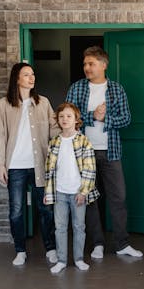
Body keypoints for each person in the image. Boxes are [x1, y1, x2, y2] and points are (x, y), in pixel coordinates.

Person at [65, 46, 143, 259]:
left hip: (111, 152)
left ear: (103, 65)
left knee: (118, 197)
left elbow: (126, 119)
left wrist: (105, 118)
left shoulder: (117, 89)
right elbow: (68, 118)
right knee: (90, 200)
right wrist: (92, 116)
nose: (86, 68)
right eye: (85, 64)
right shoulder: (77, 88)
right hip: (84, 154)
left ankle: (122, 244)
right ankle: (97, 244)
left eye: (91, 64)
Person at [0, 62, 59, 266]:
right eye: (26, 74)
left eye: (33, 74)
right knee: (16, 210)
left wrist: (68, 138)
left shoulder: (43, 102)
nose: (32, 77)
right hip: (15, 166)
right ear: (16, 79)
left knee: (45, 209)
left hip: (40, 165)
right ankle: (20, 250)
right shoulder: (4, 104)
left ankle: (51, 248)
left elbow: (54, 129)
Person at [44, 102, 99, 274]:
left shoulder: (83, 141)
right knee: (60, 227)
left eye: (69, 116)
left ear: (76, 120)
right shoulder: (54, 142)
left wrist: (84, 191)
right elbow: (49, 170)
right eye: (61, 116)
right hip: (59, 192)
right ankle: (61, 260)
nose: (65, 119)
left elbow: (90, 168)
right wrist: (48, 192)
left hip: (77, 193)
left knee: (78, 227)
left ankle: (78, 259)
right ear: (58, 120)